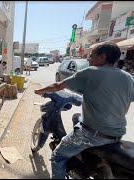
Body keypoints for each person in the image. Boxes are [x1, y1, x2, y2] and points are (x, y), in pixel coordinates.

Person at [34, 42, 134, 179]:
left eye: (92, 55)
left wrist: (39, 91)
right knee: (77, 116)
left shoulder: (92, 72)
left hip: (92, 135)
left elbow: (58, 85)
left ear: (102, 57)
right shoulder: (128, 77)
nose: (88, 59)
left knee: (58, 156)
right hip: (116, 134)